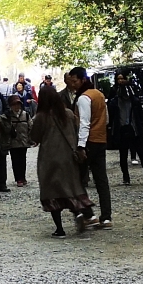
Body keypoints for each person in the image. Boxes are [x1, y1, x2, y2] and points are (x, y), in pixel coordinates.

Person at [32, 84, 94, 236]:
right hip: (68, 157)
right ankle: (77, 212)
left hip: (49, 159)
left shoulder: (41, 117)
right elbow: (76, 131)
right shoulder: (68, 114)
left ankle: (59, 229)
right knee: (71, 187)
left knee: (52, 192)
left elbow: (34, 138)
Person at [64, 67, 113, 229]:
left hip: (88, 142)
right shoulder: (99, 94)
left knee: (77, 179)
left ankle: (87, 213)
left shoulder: (84, 98)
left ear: (83, 79)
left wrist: (80, 146)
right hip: (101, 140)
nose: (73, 84)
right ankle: (106, 217)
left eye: (75, 81)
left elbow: (84, 123)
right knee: (101, 179)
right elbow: (106, 120)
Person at [107, 72, 143, 185]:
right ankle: (126, 177)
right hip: (122, 129)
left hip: (134, 129)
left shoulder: (134, 101)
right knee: (123, 155)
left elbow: (140, 113)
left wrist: (129, 85)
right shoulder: (115, 102)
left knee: (141, 153)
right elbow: (111, 113)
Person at [0, 85, 33, 188]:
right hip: (13, 142)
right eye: (14, 105)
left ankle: (23, 177)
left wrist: (31, 138)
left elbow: (31, 126)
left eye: (18, 104)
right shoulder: (7, 116)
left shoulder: (25, 115)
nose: (16, 107)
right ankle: (18, 178)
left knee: (23, 160)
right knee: (15, 161)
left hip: (24, 141)